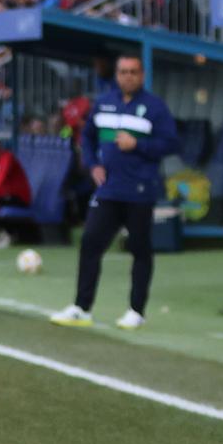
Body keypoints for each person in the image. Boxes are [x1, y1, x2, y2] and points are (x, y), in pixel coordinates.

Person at [50, 54, 178, 330]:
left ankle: (136, 310)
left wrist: (138, 145)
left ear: (142, 75)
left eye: (133, 72)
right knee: (90, 243)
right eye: (123, 72)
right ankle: (82, 308)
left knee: (140, 249)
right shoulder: (104, 102)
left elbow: (171, 143)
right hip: (108, 190)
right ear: (117, 75)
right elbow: (87, 137)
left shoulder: (155, 107)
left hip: (140, 190)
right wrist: (93, 164)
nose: (128, 76)